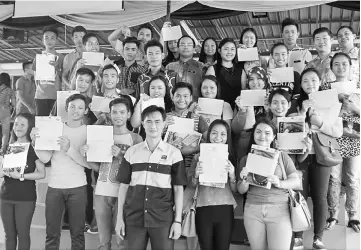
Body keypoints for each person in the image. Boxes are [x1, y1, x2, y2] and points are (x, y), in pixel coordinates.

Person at [30, 94, 98, 250]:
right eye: (72, 106)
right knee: (52, 234)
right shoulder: (56, 128)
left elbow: (88, 165)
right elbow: (46, 158)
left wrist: (70, 150)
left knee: (78, 234)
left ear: (86, 110)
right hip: (55, 187)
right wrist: (35, 143)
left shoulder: (89, 132)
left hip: (78, 188)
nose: (76, 110)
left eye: (80, 107)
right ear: (66, 108)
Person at [114, 105, 187, 250]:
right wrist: (119, 219)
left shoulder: (174, 154)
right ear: (142, 123)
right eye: (149, 121)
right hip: (134, 218)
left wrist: (177, 221)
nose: (153, 126)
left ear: (164, 124)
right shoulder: (131, 152)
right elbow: (123, 187)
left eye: (157, 121)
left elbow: (178, 189)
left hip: (162, 220)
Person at [291, 68, 343, 250]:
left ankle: (318, 238)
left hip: (323, 155)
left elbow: (338, 131)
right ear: (301, 84)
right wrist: (302, 116)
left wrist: (318, 122)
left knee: (320, 197)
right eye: (305, 81)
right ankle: (297, 235)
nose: (310, 84)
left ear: (320, 82)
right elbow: (289, 128)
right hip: (301, 155)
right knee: (300, 195)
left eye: (313, 80)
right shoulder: (296, 103)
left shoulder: (330, 101)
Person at [82, 98, 143, 249]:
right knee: (103, 241)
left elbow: (139, 169)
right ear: (109, 114)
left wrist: (122, 156)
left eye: (122, 112)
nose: (118, 115)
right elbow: (98, 168)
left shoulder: (135, 138)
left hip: (125, 194)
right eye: (114, 112)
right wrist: (86, 155)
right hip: (102, 192)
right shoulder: (101, 135)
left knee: (122, 240)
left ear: (129, 114)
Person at [237, 117, 299, 250]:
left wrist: (280, 182)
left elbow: (295, 181)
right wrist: (244, 180)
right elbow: (241, 190)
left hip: (280, 210)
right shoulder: (246, 159)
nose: (262, 136)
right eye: (258, 132)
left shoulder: (282, 156)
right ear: (253, 135)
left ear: (273, 137)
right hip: (252, 210)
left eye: (267, 133)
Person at [324, 52, 360, 233]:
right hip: (333, 138)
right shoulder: (326, 88)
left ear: (351, 66)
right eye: (336, 64)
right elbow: (322, 112)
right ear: (331, 68)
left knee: (352, 178)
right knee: (334, 177)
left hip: (354, 138)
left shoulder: (358, 88)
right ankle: (333, 213)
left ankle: (353, 215)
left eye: (344, 64)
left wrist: (355, 107)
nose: (340, 67)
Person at [187, 119, 237, 250]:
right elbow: (190, 185)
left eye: (223, 134)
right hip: (203, 207)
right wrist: (196, 175)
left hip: (225, 208)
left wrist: (232, 176)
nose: (218, 138)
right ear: (208, 134)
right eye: (214, 133)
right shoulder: (198, 157)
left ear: (227, 137)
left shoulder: (230, 157)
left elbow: (236, 190)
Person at [0, 113, 46, 250]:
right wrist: (4, 172)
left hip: (25, 198)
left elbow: (41, 173)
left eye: (22, 124)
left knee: (23, 234)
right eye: (16, 124)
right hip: (5, 196)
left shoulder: (33, 148)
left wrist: (20, 176)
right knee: (9, 235)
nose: (18, 127)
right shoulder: (9, 146)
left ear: (29, 127)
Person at [165, 82, 208, 169]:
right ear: (172, 97)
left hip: (191, 166)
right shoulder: (164, 118)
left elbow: (208, 141)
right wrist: (162, 126)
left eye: (185, 96)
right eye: (178, 96)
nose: (181, 99)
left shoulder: (199, 119)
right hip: (168, 164)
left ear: (191, 98)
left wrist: (193, 148)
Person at [232, 66, 269, 163]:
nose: (255, 82)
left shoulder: (271, 100)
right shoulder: (241, 99)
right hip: (244, 142)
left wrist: (268, 111)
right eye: (251, 79)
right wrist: (242, 111)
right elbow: (235, 129)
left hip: (264, 142)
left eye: (259, 78)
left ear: (265, 81)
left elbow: (274, 127)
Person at [32, 26, 64, 116]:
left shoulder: (61, 58)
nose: (49, 41)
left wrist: (57, 68)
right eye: (46, 38)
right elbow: (36, 80)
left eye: (52, 38)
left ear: (57, 40)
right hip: (40, 96)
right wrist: (41, 91)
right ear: (42, 40)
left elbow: (65, 78)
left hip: (56, 96)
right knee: (41, 123)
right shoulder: (37, 59)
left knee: (56, 123)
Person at [206, 38, 243, 109]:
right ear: (219, 51)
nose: (229, 52)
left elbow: (243, 92)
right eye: (226, 49)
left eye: (232, 49)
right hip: (218, 109)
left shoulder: (241, 70)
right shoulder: (212, 69)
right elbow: (207, 92)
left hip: (237, 109)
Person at [166, 35, 205, 101]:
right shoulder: (170, 67)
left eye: (189, 45)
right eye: (182, 44)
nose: (186, 47)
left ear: (194, 49)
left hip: (195, 106)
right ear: (178, 48)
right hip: (174, 106)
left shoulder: (201, 66)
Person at [62, 26, 87, 90]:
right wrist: (70, 85)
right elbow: (64, 76)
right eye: (76, 37)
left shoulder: (93, 55)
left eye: (82, 37)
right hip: (74, 92)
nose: (79, 40)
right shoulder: (68, 57)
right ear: (72, 38)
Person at [0, 73, 16, 154]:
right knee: (5, 132)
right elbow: (14, 104)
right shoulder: (10, 90)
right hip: (5, 110)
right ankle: (3, 149)